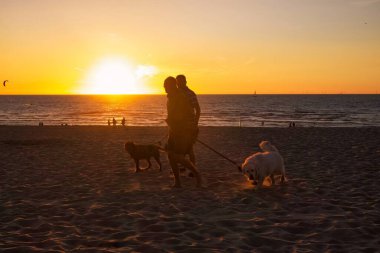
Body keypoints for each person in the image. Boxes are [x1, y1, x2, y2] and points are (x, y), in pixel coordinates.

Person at [164, 76, 202, 188]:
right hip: (174, 130)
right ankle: (178, 182)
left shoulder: (180, 96)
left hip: (183, 130)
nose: (164, 88)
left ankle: (197, 174)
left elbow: (188, 112)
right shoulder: (171, 96)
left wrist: (192, 126)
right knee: (170, 155)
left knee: (179, 156)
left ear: (171, 86)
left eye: (165, 86)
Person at [176, 75, 200, 165]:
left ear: (185, 82)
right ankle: (182, 166)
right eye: (177, 82)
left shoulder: (190, 93)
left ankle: (193, 168)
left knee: (189, 148)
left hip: (189, 125)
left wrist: (195, 123)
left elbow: (197, 109)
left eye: (180, 82)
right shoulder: (176, 94)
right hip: (178, 125)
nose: (178, 84)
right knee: (179, 147)